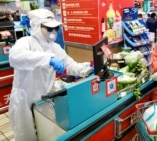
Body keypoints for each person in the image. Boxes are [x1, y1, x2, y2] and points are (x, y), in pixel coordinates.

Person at [8, 8, 93, 141]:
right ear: (37, 26)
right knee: (26, 136)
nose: (53, 32)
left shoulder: (55, 47)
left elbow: (70, 65)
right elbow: (15, 57)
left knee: (45, 132)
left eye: (55, 29)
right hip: (24, 99)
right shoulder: (26, 42)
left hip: (44, 98)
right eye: (49, 29)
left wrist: (86, 67)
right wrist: (47, 58)